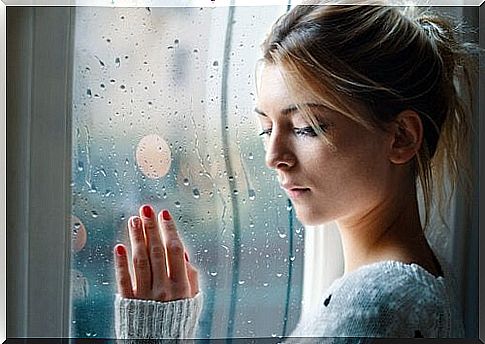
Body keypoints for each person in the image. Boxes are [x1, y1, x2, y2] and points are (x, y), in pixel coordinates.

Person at [112, 2, 478, 340]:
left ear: (401, 137)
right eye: (266, 129)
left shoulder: (372, 308)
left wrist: (153, 334)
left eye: (306, 127)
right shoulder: (422, 280)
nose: (273, 157)